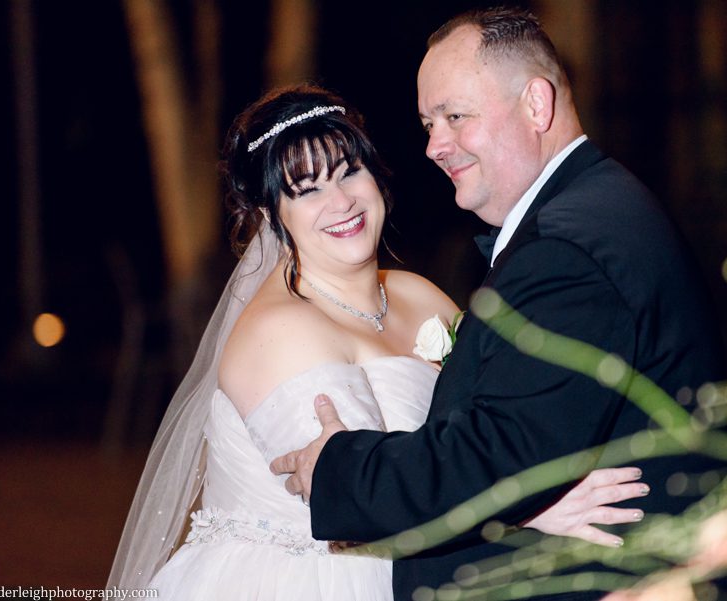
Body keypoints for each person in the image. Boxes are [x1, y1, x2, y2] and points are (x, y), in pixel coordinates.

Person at [107, 84, 650, 599]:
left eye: (350, 172)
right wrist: (532, 508)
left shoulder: (419, 296)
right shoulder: (280, 332)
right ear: (272, 215)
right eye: (308, 189)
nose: (341, 201)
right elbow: (366, 500)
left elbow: (487, 425)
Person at [271, 7, 726, 601]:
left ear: (537, 105)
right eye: (428, 123)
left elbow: (495, 453)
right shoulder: (604, 203)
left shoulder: (568, 248)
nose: (435, 145)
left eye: (455, 116)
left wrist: (341, 469)